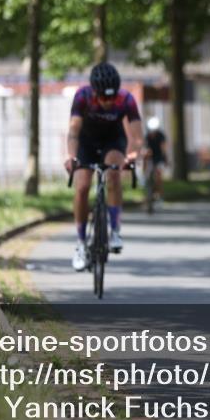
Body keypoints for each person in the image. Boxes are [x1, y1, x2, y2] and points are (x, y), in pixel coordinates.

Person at [64, 62, 143, 270]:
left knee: (113, 175)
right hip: (86, 142)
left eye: (111, 96)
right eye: (104, 97)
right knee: (81, 187)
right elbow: (73, 131)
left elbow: (137, 136)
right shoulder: (83, 96)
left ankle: (115, 231)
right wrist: (71, 156)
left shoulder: (125, 99)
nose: (108, 102)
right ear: (94, 92)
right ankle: (81, 243)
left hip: (112, 141)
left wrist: (133, 154)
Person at [143, 116, 168, 205]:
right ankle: (148, 195)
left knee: (158, 176)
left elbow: (163, 148)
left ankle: (160, 195)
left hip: (159, 157)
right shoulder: (147, 137)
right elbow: (145, 149)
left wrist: (165, 159)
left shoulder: (161, 136)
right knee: (147, 175)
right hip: (150, 158)